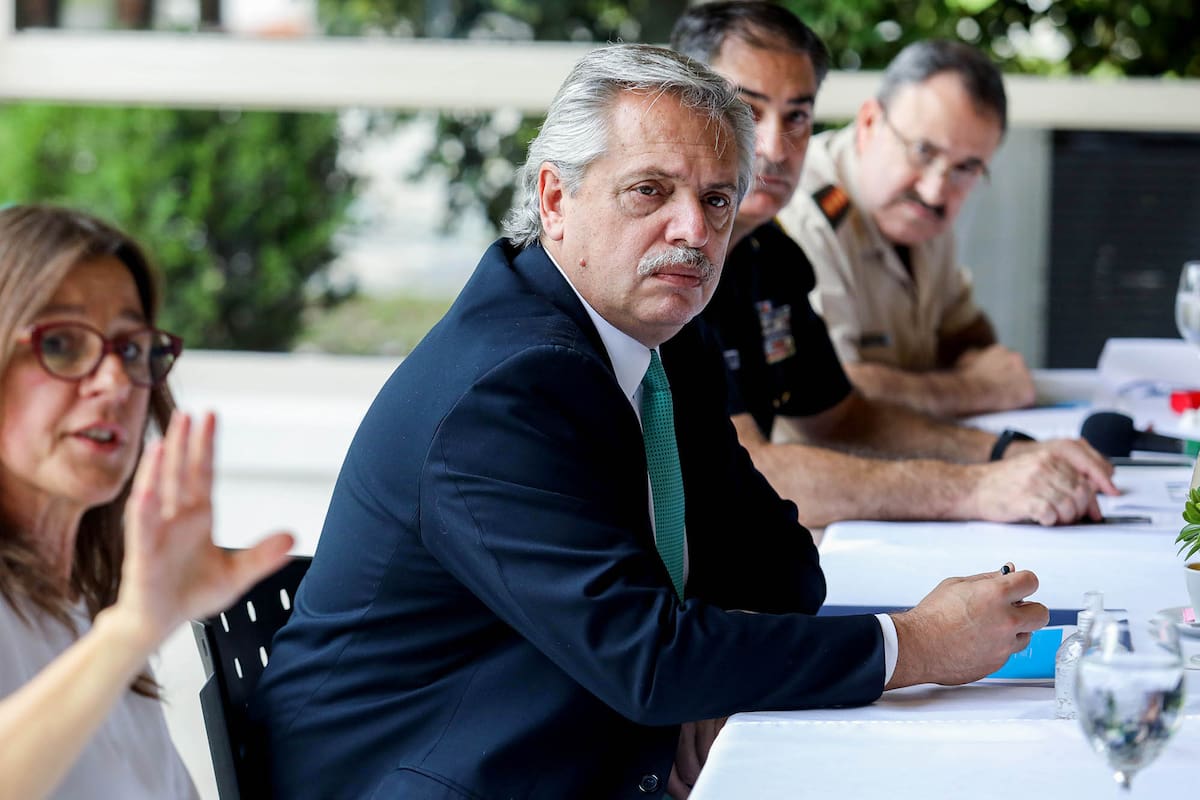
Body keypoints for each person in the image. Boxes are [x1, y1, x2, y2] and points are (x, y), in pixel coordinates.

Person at [251, 44, 1046, 800]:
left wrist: (708, 680)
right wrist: (917, 644)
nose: (693, 232)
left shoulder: (662, 341)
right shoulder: (505, 390)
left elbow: (780, 569)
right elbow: (650, 660)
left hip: (572, 746)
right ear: (555, 200)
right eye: (649, 191)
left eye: (716, 200)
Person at [671, 1, 1117, 528]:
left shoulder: (768, 251)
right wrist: (975, 487)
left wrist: (1005, 452)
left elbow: (841, 416)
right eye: (745, 110)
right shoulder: (672, 252)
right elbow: (744, 470)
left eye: (797, 117)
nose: (774, 146)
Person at [0, 205, 293, 800]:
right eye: (62, 343)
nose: (114, 382)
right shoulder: (119, 630)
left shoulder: (84, 610)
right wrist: (133, 629)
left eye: (132, 350)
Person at [776, 38, 1034, 417]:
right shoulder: (802, 214)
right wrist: (976, 389)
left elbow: (966, 336)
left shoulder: (920, 210)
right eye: (923, 151)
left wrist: (981, 368)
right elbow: (827, 393)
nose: (934, 191)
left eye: (966, 168)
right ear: (869, 123)